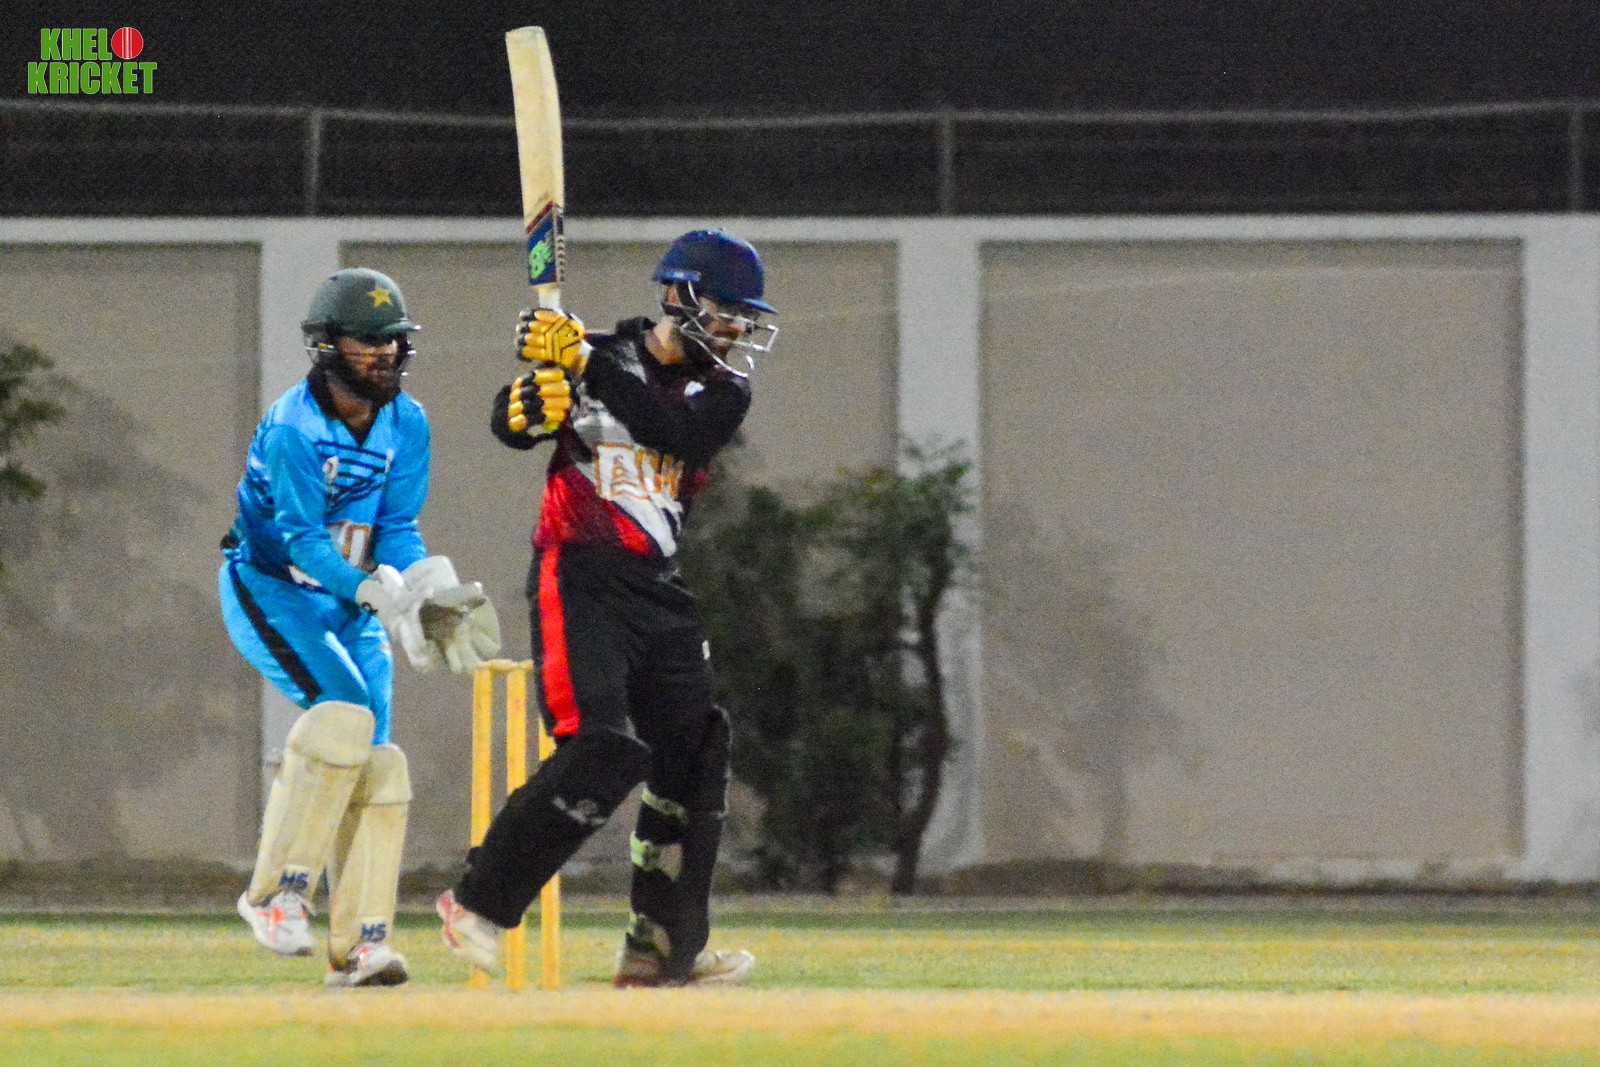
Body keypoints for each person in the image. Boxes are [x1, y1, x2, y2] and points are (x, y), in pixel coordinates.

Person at [436, 229, 778, 987]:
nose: (735, 330)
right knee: (603, 748)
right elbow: (511, 425)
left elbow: (673, 434)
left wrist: (580, 364)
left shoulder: (721, 392)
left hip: (658, 585)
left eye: (743, 317)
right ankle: (477, 903)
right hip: (580, 574)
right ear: (679, 296)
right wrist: (530, 403)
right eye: (725, 311)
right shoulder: (587, 351)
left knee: (696, 750)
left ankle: (660, 950)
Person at [220, 267, 501, 988]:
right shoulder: (294, 428)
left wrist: (425, 585)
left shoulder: (408, 421)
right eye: (366, 342)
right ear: (326, 346)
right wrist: (377, 593)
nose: (383, 355)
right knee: (343, 713)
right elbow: (304, 544)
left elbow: (396, 526)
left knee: (377, 757)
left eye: (391, 341)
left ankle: (360, 944)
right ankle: (276, 894)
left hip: (348, 600)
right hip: (272, 587)